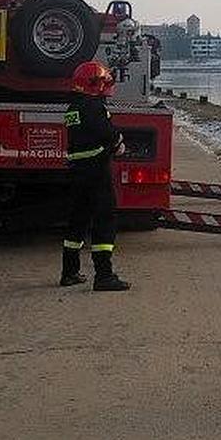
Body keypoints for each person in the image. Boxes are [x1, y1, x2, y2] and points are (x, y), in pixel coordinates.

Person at [60, 60, 130, 292]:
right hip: (97, 171)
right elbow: (106, 133)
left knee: (77, 220)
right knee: (104, 220)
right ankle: (104, 276)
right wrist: (118, 141)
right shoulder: (94, 107)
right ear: (96, 84)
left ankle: (69, 272)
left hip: (77, 172)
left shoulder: (72, 109)